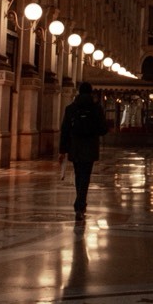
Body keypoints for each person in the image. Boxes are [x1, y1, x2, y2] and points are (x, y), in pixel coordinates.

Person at [59, 81, 108, 221]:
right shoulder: (96, 108)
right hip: (90, 146)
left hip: (75, 146)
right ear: (91, 92)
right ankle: (80, 204)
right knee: (85, 176)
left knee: (78, 175)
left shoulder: (70, 109)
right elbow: (103, 129)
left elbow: (65, 130)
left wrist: (62, 150)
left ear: (79, 92)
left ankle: (80, 202)